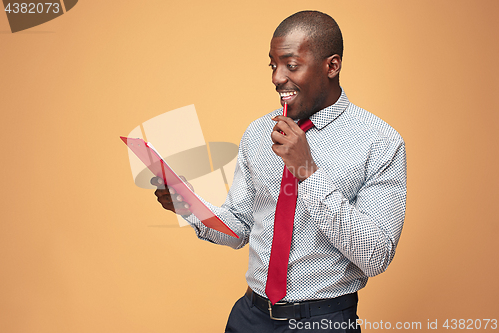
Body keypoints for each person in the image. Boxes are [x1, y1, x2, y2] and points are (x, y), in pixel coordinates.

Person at [152, 10, 406, 333]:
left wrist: (307, 171)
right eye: (273, 65)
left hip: (323, 322)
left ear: (332, 66)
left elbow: (375, 255)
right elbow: (240, 227)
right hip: (250, 317)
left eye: (291, 65)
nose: (276, 78)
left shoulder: (380, 142)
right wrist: (188, 206)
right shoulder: (259, 133)